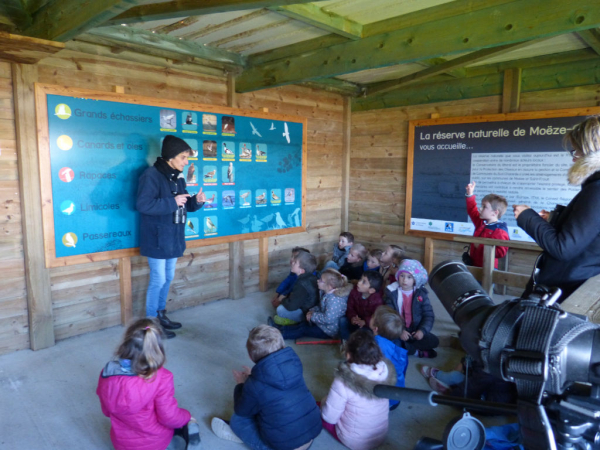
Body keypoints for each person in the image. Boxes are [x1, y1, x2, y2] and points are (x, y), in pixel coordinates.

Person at [513, 116, 600, 302]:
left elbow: (563, 248)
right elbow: (588, 233)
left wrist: (527, 217)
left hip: (562, 292)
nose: (574, 158)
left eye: (576, 151)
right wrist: (554, 218)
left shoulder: (597, 190)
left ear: (590, 152)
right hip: (571, 285)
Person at [137, 135, 206, 338]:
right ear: (171, 157)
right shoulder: (151, 175)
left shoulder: (178, 177)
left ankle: (160, 315)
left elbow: (181, 203)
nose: (187, 162)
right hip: (157, 239)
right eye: (184, 157)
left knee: (168, 277)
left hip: (173, 238)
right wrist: (172, 202)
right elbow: (143, 205)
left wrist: (196, 201)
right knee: (158, 279)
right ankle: (150, 325)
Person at [211, 325, 322, 450]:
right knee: (273, 406)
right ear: (283, 346)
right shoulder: (295, 364)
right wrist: (253, 378)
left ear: (250, 357)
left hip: (284, 446)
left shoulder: (253, 385)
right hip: (311, 434)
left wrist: (242, 384)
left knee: (238, 420)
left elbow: (241, 410)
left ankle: (247, 439)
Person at [96, 318, 201, 450]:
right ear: (158, 349)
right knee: (182, 424)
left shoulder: (107, 374)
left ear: (126, 343)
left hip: (121, 444)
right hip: (155, 442)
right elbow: (168, 417)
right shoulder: (163, 377)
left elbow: (106, 411)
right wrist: (187, 416)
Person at [320, 329, 397, 450]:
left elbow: (329, 417)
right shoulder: (385, 371)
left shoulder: (343, 380)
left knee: (316, 408)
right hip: (380, 436)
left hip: (355, 441)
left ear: (348, 354)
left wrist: (324, 402)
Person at [272, 269, 351, 340]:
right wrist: (312, 311)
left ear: (330, 286)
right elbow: (321, 306)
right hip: (322, 324)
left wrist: (313, 315)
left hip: (328, 330)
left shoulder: (334, 300)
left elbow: (328, 319)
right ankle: (279, 328)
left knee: (303, 329)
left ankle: (280, 335)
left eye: (321, 280)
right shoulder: (326, 293)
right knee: (302, 325)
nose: (317, 281)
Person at [384, 259, 438, 358]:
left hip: (415, 330)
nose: (405, 280)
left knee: (434, 341)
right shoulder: (392, 293)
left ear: (415, 279)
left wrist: (422, 330)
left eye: (409, 277)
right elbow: (389, 315)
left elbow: (429, 315)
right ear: (397, 276)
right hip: (399, 330)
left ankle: (408, 346)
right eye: (402, 276)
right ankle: (416, 352)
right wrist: (400, 331)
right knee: (390, 342)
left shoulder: (421, 294)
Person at [370, 306, 409, 410]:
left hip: (384, 401)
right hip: (396, 397)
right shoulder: (398, 349)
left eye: (373, 316)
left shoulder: (374, 347)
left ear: (375, 328)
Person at [465, 182, 509, 268]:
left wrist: (482, 245)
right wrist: (470, 195)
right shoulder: (481, 222)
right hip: (473, 265)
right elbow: (472, 210)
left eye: (484, 207)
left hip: (487, 269)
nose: (480, 208)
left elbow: (501, 252)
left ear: (495, 213)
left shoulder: (500, 230)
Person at [271, 251, 319, 326]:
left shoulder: (302, 284)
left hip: (305, 312)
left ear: (302, 270)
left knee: (280, 310)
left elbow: (291, 306)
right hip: (309, 307)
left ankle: (296, 322)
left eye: (295, 262)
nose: (292, 262)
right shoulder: (309, 277)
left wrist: (282, 300)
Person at [339, 271, 384, 343]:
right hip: (356, 320)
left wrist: (365, 322)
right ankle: (346, 343)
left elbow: (376, 317)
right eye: (360, 279)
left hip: (367, 324)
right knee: (342, 321)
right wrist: (352, 317)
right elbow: (350, 307)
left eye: (364, 282)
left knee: (364, 333)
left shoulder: (377, 300)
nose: (359, 283)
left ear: (371, 290)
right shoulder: (354, 291)